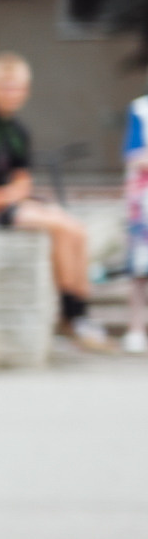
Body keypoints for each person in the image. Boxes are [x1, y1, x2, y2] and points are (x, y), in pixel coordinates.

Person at [0, 52, 108, 348]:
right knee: (60, 227)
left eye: (17, 88)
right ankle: (73, 315)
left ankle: (78, 310)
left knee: (75, 228)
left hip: (7, 204)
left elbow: (22, 179)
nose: (11, 94)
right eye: (5, 86)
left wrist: (8, 195)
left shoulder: (18, 131)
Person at [123, 89, 148, 353]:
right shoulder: (140, 109)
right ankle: (136, 328)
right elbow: (134, 154)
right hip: (143, 203)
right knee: (139, 271)